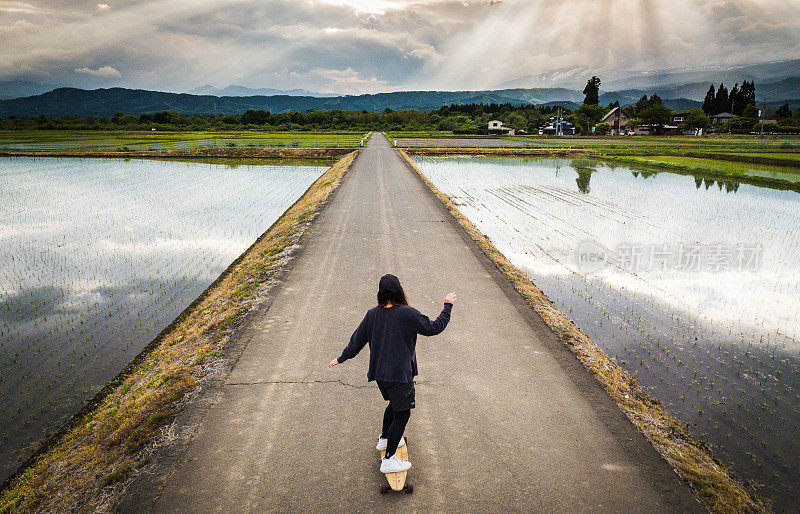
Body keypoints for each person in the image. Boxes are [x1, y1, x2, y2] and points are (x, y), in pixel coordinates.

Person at [328, 274, 455, 473]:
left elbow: (357, 340)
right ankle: (389, 459)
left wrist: (341, 358)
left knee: (394, 405)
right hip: (399, 375)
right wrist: (447, 306)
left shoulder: (372, 314)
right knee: (403, 413)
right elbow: (433, 328)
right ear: (399, 291)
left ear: (380, 293)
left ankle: (384, 440)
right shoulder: (408, 313)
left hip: (380, 374)